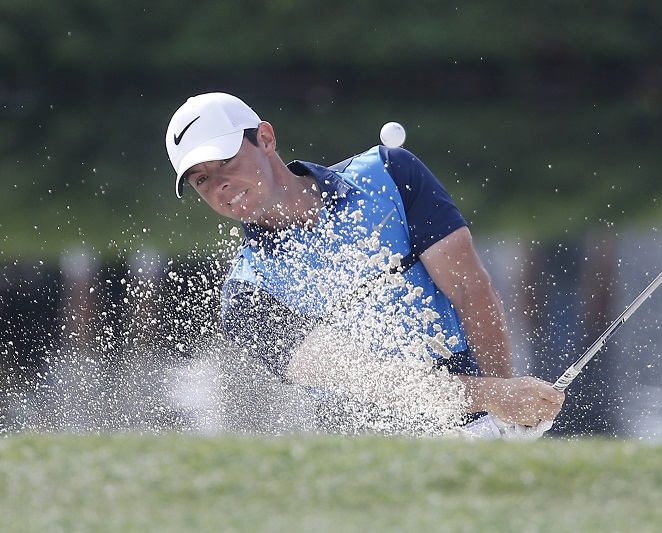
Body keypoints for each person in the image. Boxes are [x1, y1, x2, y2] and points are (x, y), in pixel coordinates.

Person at [165, 92, 564, 435]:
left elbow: (470, 289)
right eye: (200, 180)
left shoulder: (390, 172)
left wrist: (504, 407)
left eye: (226, 162)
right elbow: (371, 379)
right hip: (366, 441)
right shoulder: (246, 297)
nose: (219, 186)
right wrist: (493, 397)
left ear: (265, 138)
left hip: (476, 401)